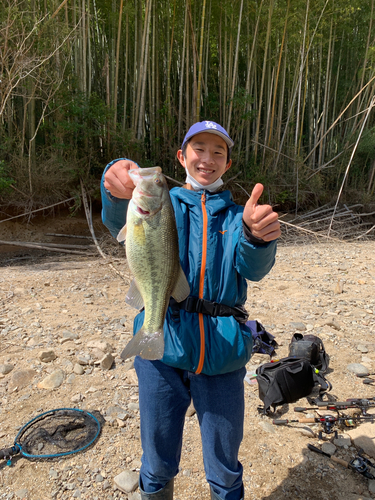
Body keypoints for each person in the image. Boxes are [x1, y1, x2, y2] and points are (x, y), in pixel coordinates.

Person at [101, 120, 280, 500]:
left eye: (219, 152)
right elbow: (118, 219)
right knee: (157, 460)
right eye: (199, 148)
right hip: (162, 353)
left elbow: (254, 269)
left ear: (228, 164)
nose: (208, 158)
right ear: (182, 157)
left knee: (225, 465)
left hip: (222, 357)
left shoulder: (236, 218)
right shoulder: (163, 203)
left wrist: (255, 237)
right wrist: (115, 183)